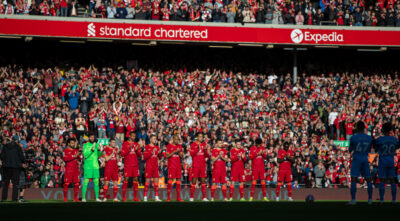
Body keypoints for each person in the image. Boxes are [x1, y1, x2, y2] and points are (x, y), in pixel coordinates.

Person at [347, 121, 373, 205]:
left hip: (356, 159)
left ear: (357, 128)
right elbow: (369, 150)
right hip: (365, 159)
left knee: (354, 179)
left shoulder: (353, 137)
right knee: (368, 180)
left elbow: (350, 150)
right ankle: (370, 200)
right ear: (364, 128)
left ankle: (353, 200)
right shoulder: (369, 138)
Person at [374, 122, 399, 204]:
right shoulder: (394, 139)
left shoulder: (379, 139)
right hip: (391, 161)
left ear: (383, 129)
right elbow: (397, 146)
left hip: (382, 162)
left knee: (382, 181)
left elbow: (376, 148)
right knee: (393, 181)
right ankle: (394, 200)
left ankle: (381, 200)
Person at [1, 137, 25, 202]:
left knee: (6, 183)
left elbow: (2, 157)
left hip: (6, 167)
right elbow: (22, 158)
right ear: (16, 141)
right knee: (15, 184)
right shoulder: (18, 147)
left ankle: (4, 198)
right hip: (16, 168)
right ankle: (14, 199)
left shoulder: (5, 147)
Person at [82, 133, 103, 202]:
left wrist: (100, 150)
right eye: (91, 137)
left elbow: (99, 155)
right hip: (88, 167)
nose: (92, 138)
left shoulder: (96, 145)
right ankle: (83, 198)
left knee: (96, 182)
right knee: (85, 182)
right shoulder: (85, 145)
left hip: (95, 166)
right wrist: (92, 149)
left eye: (93, 137)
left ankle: (97, 198)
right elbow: (85, 155)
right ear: (88, 138)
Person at [121, 132, 141, 201]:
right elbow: (122, 154)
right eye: (132, 136)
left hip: (135, 164)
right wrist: (128, 149)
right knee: (126, 179)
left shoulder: (136, 144)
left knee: (135, 179)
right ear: (129, 136)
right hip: (128, 164)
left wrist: (138, 149)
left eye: (134, 136)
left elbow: (139, 155)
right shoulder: (125, 143)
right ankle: (124, 197)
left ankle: (135, 197)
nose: (133, 137)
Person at [189, 133, 209, 202]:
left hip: (202, 165)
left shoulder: (204, 144)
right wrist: (197, 149)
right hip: (196, 165)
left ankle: (204, 197)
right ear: (197, 137)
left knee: (203, 180)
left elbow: (207, 156)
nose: (201, 138)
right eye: (200, 136)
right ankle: (191, 197)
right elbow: (192, 154)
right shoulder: (193, 144)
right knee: (194, 180)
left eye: (202, 137)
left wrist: (206, 150)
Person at [143, 135, 162, 202]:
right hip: (149, 166)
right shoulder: (147, 147)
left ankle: (156, 197)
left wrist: (160, 153)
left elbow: (159, 157)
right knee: (147, 182)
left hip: (155, 166)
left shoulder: (157, 147)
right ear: (150, 139)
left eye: (155, 139)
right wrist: (152, 152)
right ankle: (145, 197)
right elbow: (145, 157)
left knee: (156, 182)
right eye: (153, 139)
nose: (155, 140)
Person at [166, 135, 184, 202]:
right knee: (170, 180)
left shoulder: (180, 146)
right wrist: (174, 151)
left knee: (178, 180)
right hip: (171, 166)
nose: (176, 141)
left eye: (178, 140)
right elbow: (167, 156)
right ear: (173, 139)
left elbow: (182, 157)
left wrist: (179, 152)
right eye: (175, 139)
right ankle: (168, 197)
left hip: (178, 166)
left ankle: (178, 197)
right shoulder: (169, 146)